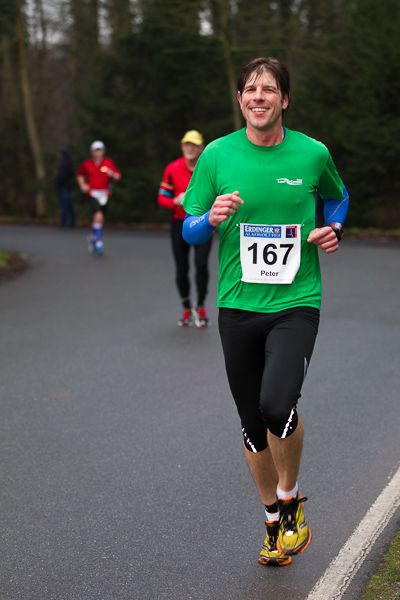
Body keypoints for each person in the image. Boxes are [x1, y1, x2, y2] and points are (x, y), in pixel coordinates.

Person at [182, 57, 349, 566]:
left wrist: (334, 229)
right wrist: (210, 217)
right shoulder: (216, 155)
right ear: (240, 100)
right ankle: (273, 523)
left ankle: (290, 498)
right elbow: (190, 227)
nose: (259, 96)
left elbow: (338, 199)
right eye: (251, 89)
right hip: (236, 304)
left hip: (296, 302)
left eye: (269, 89)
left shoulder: (313, 153)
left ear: (284, 100)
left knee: (277, 405)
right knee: (252, 424)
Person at [158, 130, 213, 327]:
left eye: (194, 145)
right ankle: (186, 307)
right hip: (179, 223)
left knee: (201, 264)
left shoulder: (207, 167)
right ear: (182, 147)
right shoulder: (172, 168)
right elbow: (161, 198)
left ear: (201, 148)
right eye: (186, 144)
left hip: (203, 223)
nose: (190, 148)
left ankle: (201, 306)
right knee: (182, 266)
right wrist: (175, 201)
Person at [77, 140, 121, 255]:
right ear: (91, 152)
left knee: (100, 219)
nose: (98, 153)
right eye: (95, 150)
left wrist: (112, 174)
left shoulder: (108, 163)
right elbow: (80, 175)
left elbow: (117, 177)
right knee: (98, 215)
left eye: (100, 150)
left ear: (103, 151)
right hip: (92, 194)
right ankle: (98, 242)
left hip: (104, 195)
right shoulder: (87, 164)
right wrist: (83, 185)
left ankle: (93, 237)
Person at [56, 147, 75, 228]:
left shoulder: (64, 164)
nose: (59, 155)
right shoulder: (68, 163)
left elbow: (62, 176)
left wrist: (58, 182)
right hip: (66, 186)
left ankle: (64, 221)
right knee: (69, 204)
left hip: (64, 187)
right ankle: (72, 221)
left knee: (65, 205)